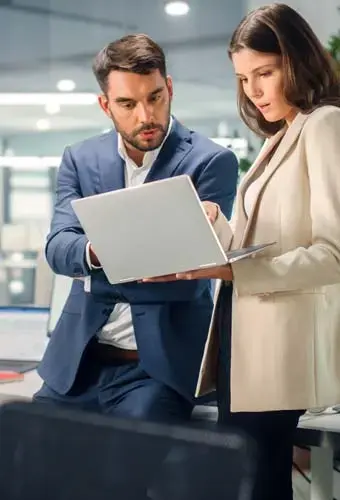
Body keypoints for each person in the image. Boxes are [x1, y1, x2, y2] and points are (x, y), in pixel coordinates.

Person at [144, 4, 340, 499]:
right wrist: (220, 230)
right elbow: (272, 242)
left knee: (259, 483)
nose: (253, 89)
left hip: (278, 350)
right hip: (245, 340)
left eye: (265, 73)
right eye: (243, 77)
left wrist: (235, 274)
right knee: (252, 481)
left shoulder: (324, 125)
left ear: (296, 61)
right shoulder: (280, 136)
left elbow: (334, 255)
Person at [33, 34, 238, 426]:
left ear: (170, 88)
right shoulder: (79, 159)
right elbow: (59, 249)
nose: (146, 115)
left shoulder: (211, 162)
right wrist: (110, 253)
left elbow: (188, 279)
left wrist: (95, 269)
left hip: (155, 373)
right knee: (25, 468)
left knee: (123, 477)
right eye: (127, 104)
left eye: (155, 97)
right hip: (77, 367)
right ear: (105, 105)